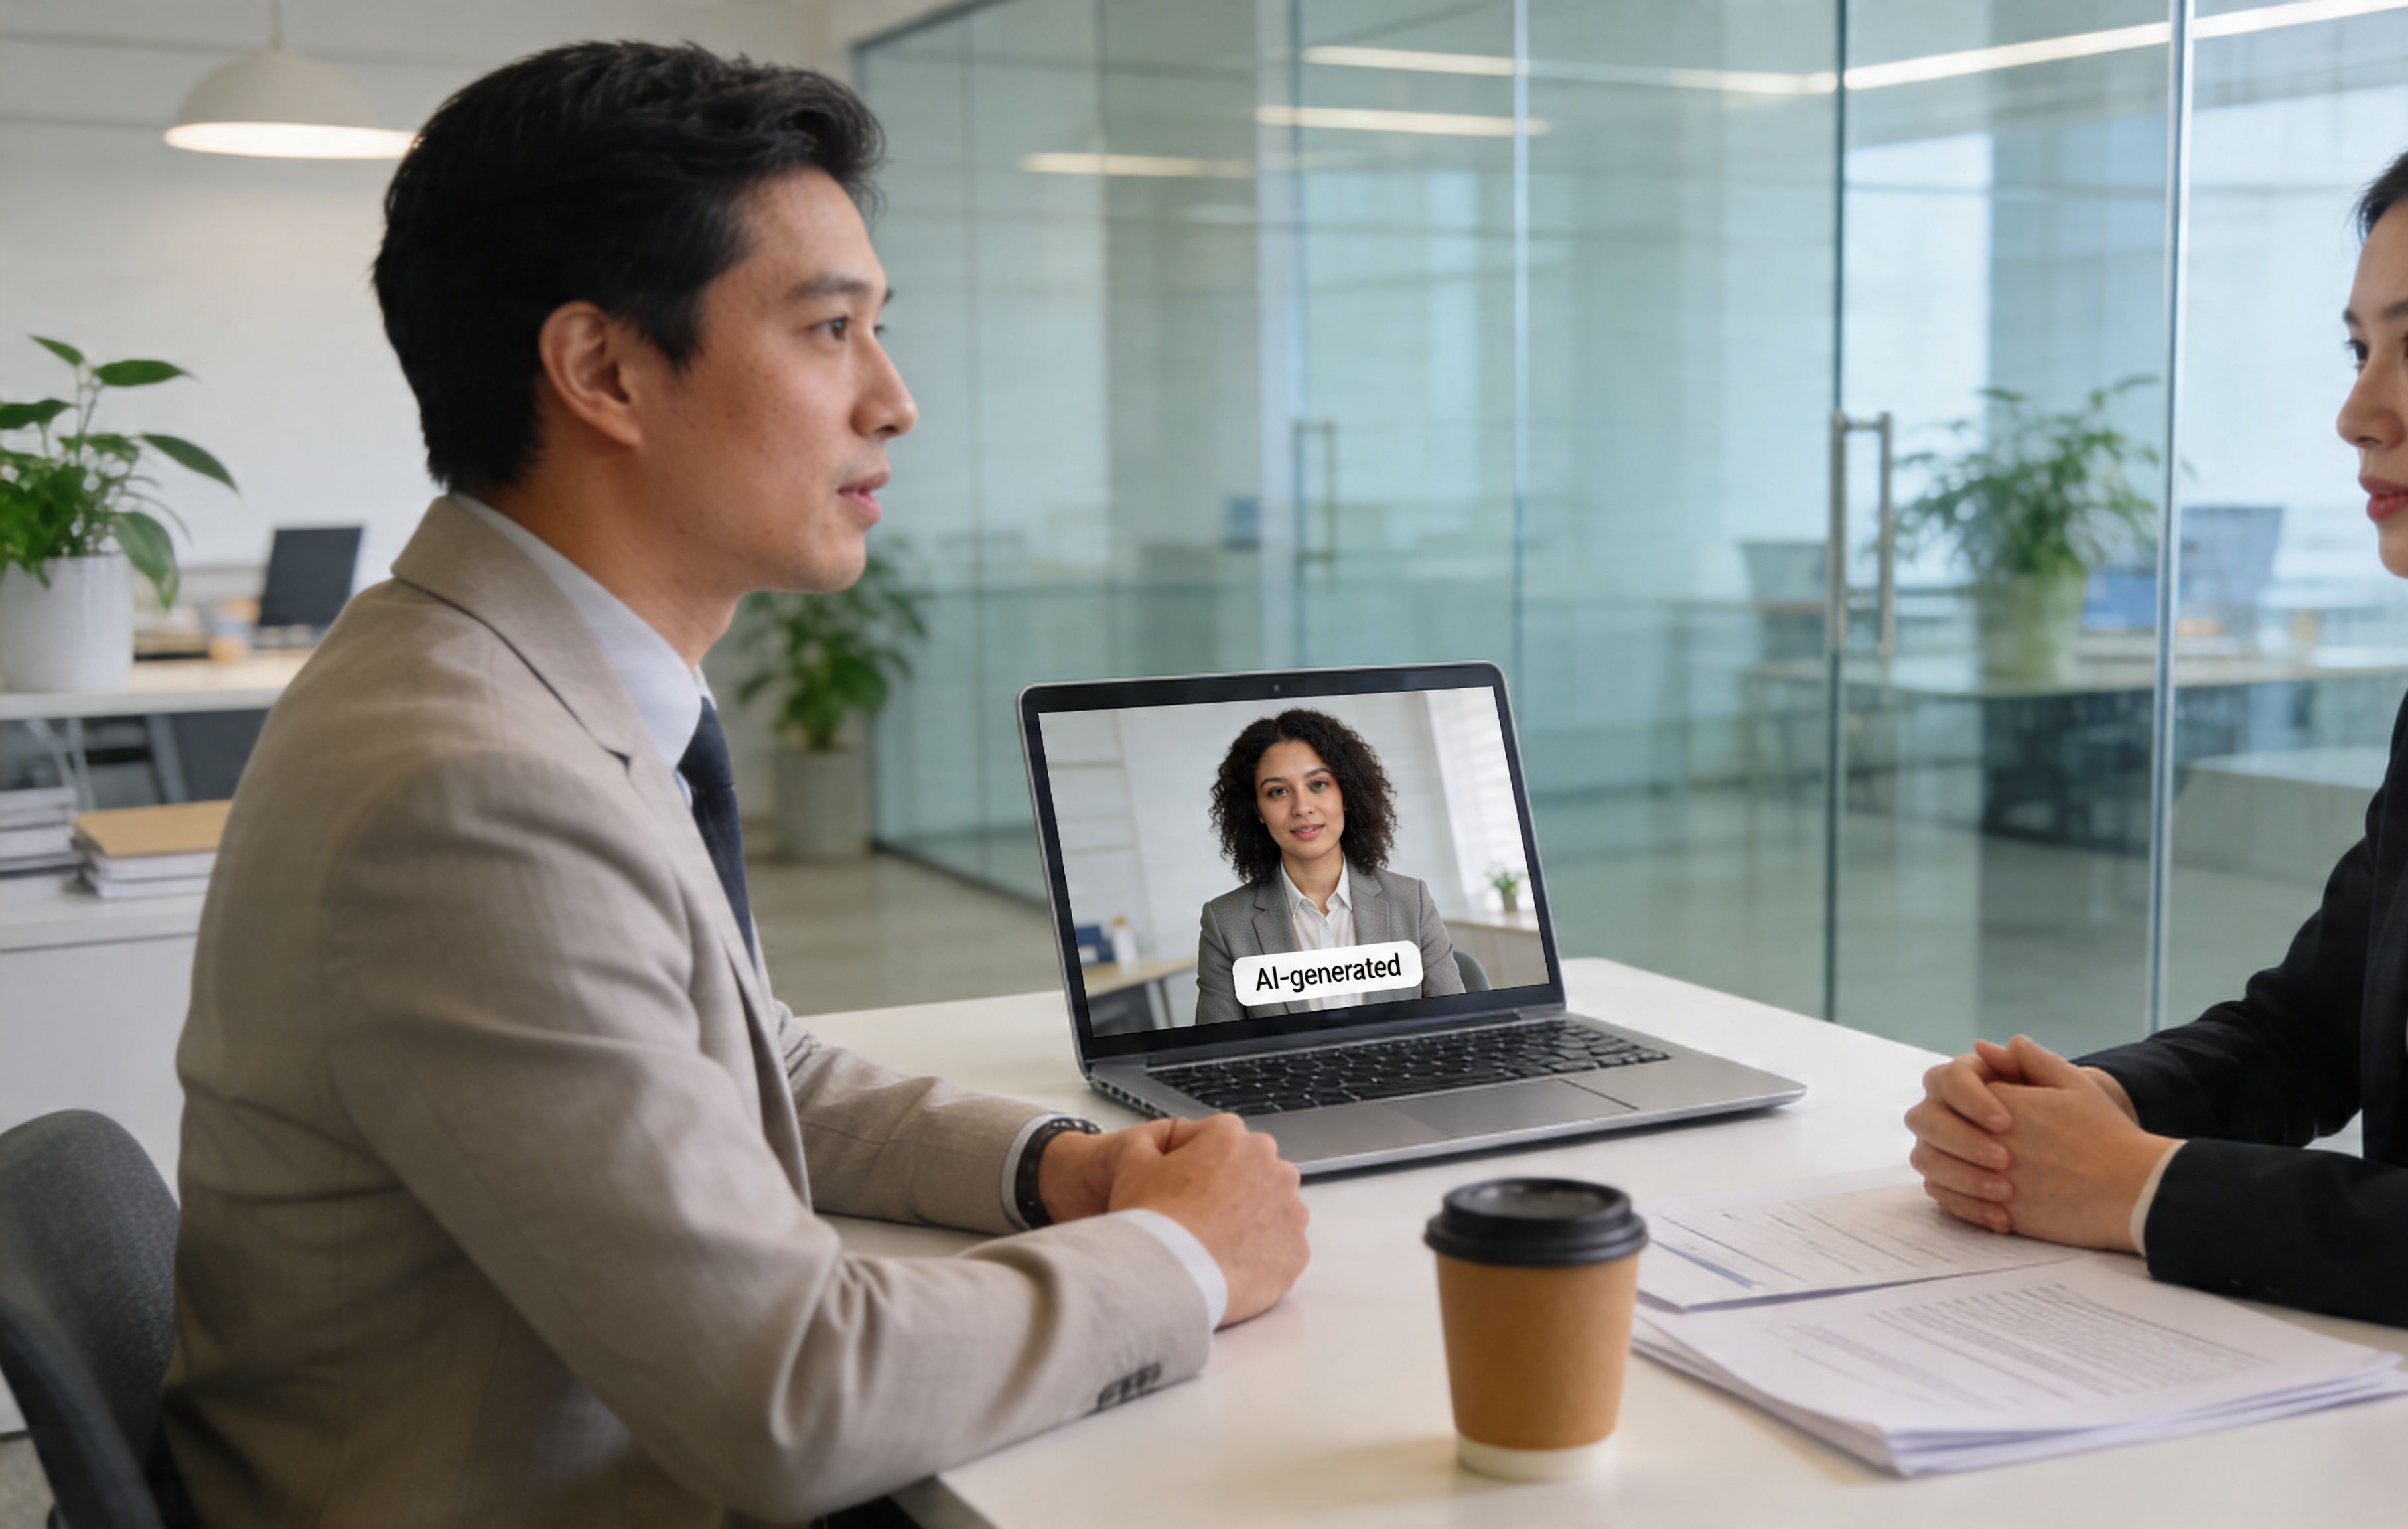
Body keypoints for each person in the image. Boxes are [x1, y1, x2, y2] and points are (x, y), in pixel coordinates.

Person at [163, 42, 1309, 1528]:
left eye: (878, 330)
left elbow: (754, 1066)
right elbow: (796, 1397)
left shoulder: (516, 677)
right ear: (604, 372)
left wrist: (1064, 1169)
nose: (893, 401)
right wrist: (1186, 1256)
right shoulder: (471, 792)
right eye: (829, 330)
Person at [1905, 84, 2408, 1368]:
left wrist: (2134, 1185)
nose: (2359, 413)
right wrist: (2081, 1106)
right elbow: (2307, 1030)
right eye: (2360, 350)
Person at [1192, 709, 1465, 1027]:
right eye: (1278, 792)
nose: (1302, 807)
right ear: (1258, 810)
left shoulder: (1411, 902)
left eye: (1318, 784)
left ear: (1346, 794)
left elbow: (1457, 1028)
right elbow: (1221, 1050)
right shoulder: (1224, 924)